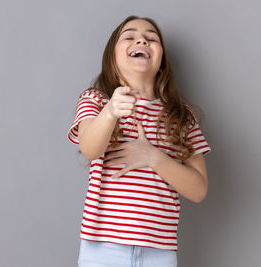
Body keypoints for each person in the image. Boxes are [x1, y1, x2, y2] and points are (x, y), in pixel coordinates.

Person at [67, 15, 211, 267]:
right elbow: (89, 149)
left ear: (162, 62)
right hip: (103, 248)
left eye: (151, 38)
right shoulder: (96, 101)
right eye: (130, 36)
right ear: (113, 58)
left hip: (159, 252)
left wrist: (153, 157)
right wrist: (111, 111)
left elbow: (198, 190)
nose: (142, 40)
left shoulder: (182, 116)